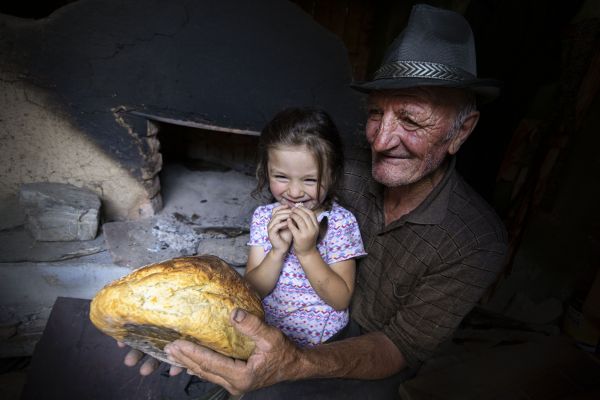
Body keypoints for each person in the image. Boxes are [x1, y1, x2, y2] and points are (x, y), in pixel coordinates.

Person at [123, 4, 508, 399]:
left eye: (410, 120)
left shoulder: (474, 242)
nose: (380, 140)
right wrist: (193, 322)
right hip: (282, 318)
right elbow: (258, 281)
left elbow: (398, 346)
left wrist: (290, 362)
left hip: (367, 350)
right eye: (376, 114)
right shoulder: (342, 165)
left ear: (463, 130)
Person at [245, 107, 366, 347]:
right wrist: (277, 252)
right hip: (268, 335)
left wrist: (307, 252)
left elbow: (340, 300)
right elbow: (251, 291)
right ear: (266, 170)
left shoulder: (341, 223)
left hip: (322, 343)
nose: (295, 192)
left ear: (332, 175)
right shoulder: (263, 218)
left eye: (310, 180)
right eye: (281, 177)